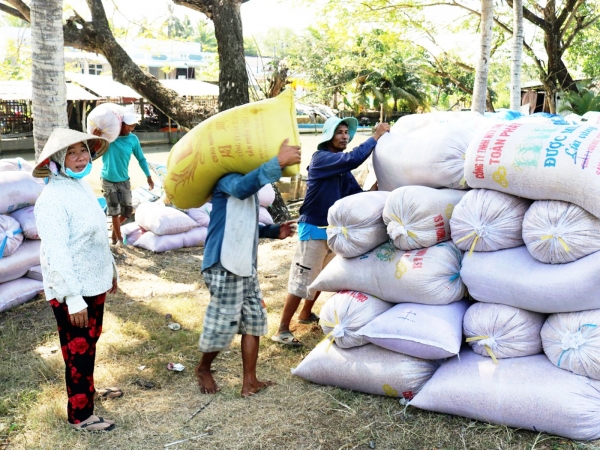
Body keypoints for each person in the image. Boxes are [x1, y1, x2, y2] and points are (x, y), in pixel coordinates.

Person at [195, 138, 301, 397]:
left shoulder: (249, 187)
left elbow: (244, 226)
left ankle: (250, 382)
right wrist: (278, 162)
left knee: (254, 321)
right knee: (224, 324)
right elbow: (242, 188)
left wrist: (274, 231)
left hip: (245, 265)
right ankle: (203, 368)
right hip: (223, 264)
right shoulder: (227, 180)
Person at [272, 117, 390, 346]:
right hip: (313, 229)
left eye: (347, 132)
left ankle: (305, 315)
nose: (344, 136)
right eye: (340, 132)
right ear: (329, 136)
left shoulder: (340, 169)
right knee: (301, 281)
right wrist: (375, 136)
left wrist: (375, 191)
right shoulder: (322, 159)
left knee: (320, 279)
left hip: (332, 232)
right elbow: (353, 159)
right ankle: (282, 330)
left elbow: (355, 195)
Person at [33, 128, 121, 432]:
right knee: (78, 351)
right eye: (72, 152)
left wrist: (110, 272)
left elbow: (95, 233)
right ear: (58, 159)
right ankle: (81, 416)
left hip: (93, 283)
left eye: (84, 150)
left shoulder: (78, 185)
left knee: (89, 344)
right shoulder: (52, 199)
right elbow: (56, 254)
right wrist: (72, 298)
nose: (81, 157)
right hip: (74, 291)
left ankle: (88, 393)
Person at [94, 110, 154, 246]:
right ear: (121, 124)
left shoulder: (133, 139)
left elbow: (141, 159)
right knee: (114, 211)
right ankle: (118, 240)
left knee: (127, 211)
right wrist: (95, 137)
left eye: (133, 126)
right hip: (108, 179)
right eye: (129, 125)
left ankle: (114, 232)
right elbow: (93, 152)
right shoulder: (108, 137)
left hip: (124, 180)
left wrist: (148, 175)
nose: (131, 129)